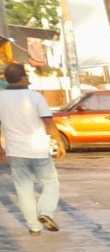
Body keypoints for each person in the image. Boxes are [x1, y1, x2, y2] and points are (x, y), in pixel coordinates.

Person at [0, 62, 65, 235]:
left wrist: (0, 148)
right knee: (51, 182)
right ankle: (45, 211)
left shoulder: (1, 97)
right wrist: (59, 142)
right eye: (27, 76)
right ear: (22, 78)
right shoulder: (35, 97)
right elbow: (48, 122)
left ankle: (34, 227)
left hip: (15, 151)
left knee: (23, 189)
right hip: (38, 150)